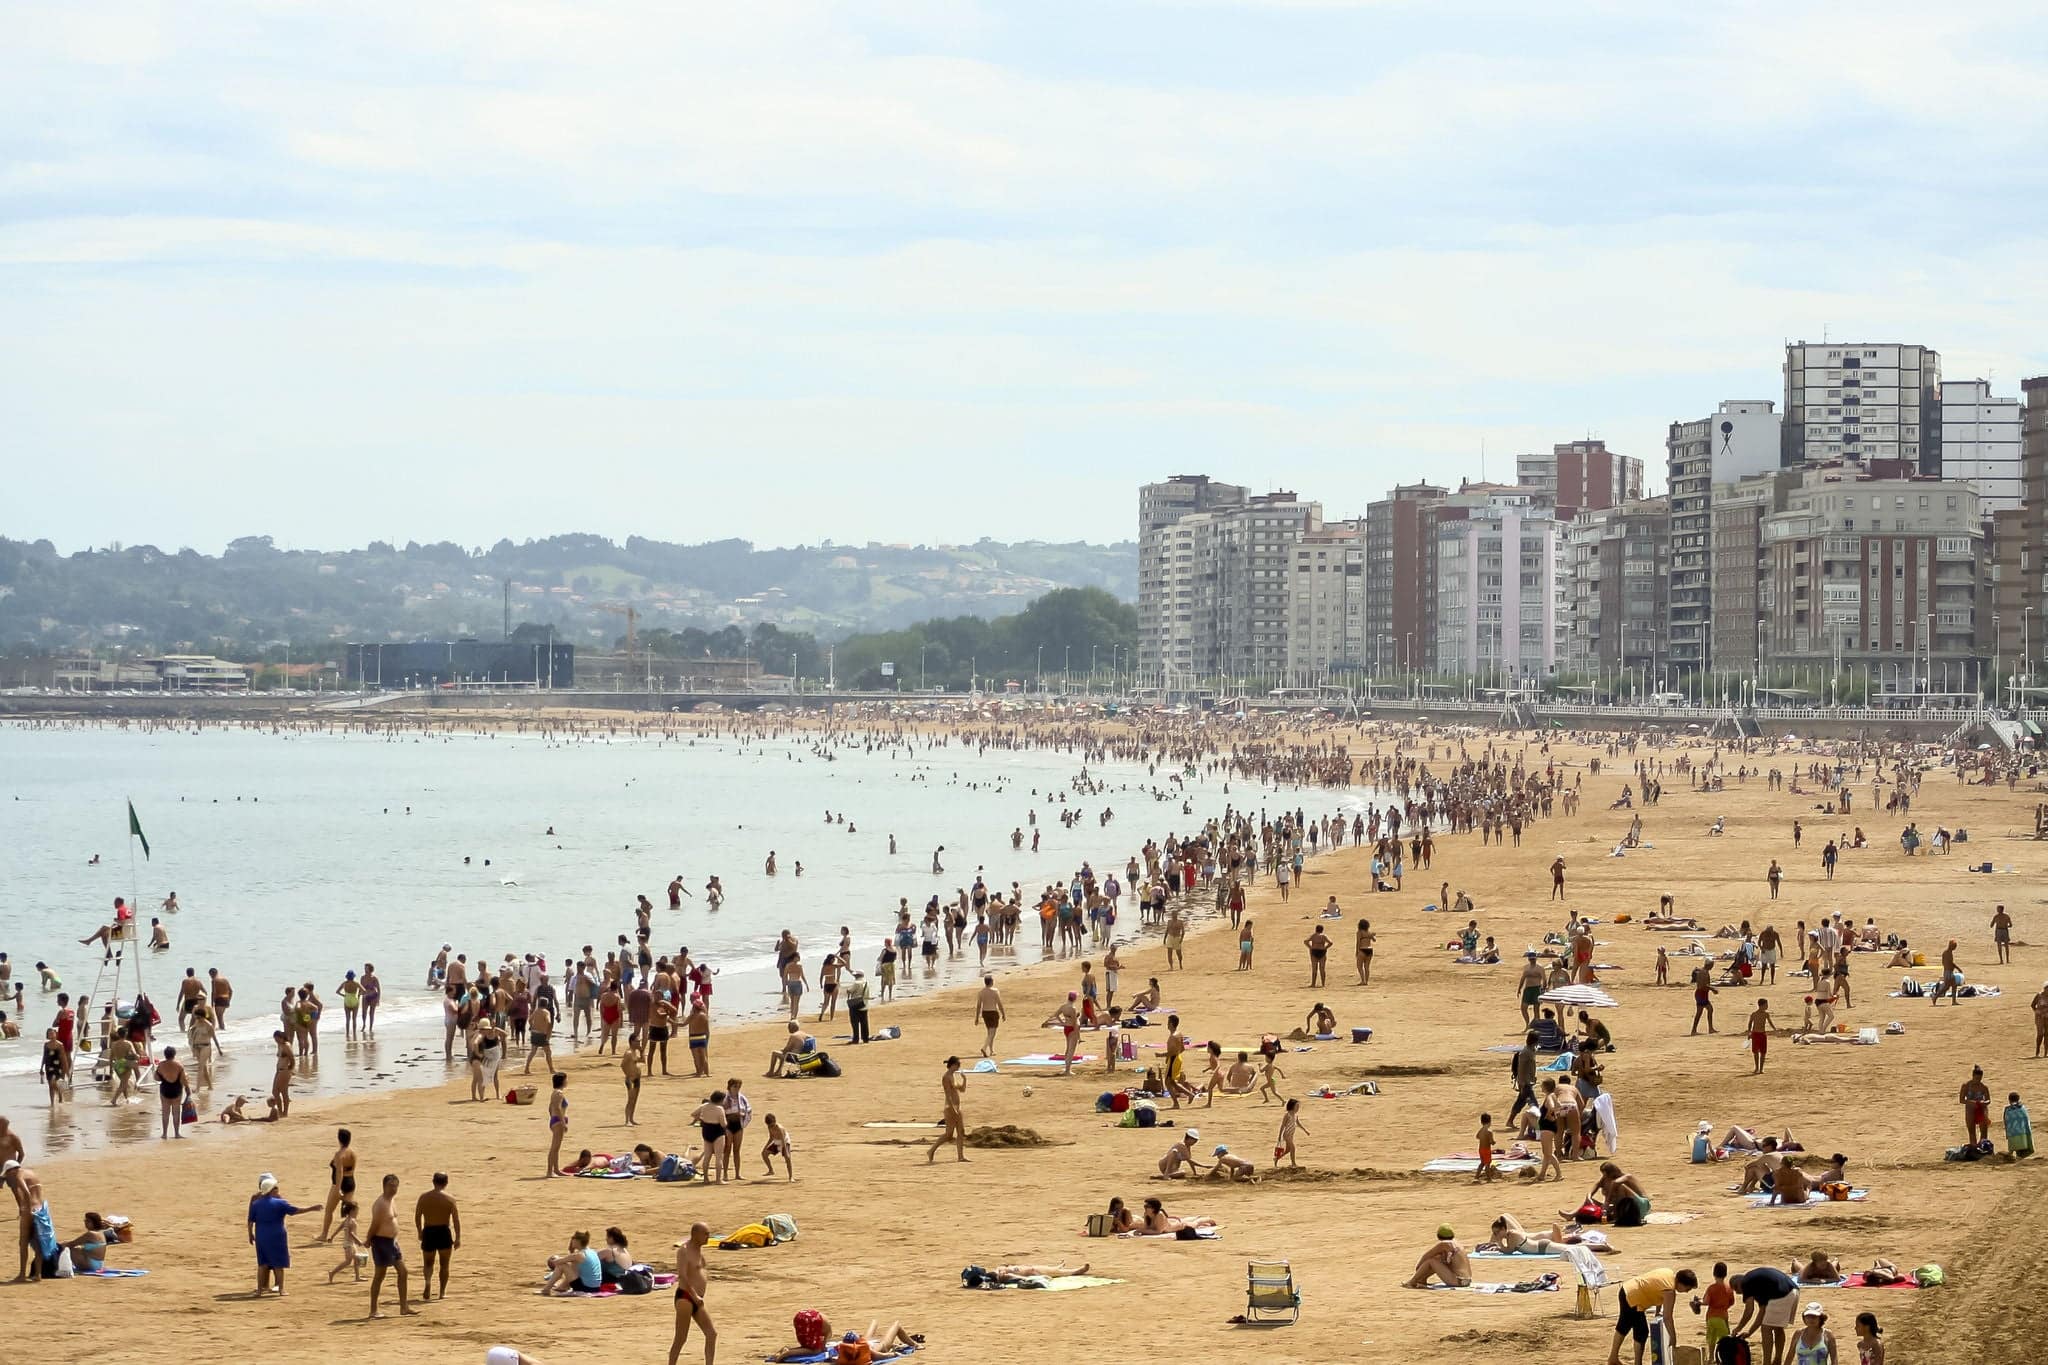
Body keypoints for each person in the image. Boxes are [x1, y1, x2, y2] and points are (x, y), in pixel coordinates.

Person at [1607, 1267, 1698, 1365]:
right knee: (1641, 1331)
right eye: (1687, 1288)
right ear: (1681, 1283)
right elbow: (1668, 1317)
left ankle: (1613, 1357)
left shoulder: (1668, 1274)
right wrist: (1673, 1337)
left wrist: (1658, 1311)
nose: (1687, 1292)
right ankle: (1636, 1363)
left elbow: (1657, 1289)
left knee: (1624, 1325)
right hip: (1634, 1298)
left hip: (1626, 1289)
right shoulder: (1670, 1292)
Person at [246, 1173, 311, 1297]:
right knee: (278, 1264)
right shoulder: (279, 1202)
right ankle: (281, 1289)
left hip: (261, 1236)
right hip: (276, 1236)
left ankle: (260, 1290)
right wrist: (311, 1208)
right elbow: (295, 1210)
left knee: (262, 1265)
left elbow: (250, 1219)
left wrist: (250, 1233)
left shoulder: (256, 1203)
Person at [366, 1172, 416, 1317]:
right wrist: (368, 1239)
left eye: (395, 1186)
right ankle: (374, 1310)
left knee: (400, 1272)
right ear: (384, 1186)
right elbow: (375, 1224)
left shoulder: (392, 1201)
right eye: (390, 1186)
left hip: (392, 1242)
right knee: (382, 1275)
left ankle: (403, 1307)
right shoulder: (380, 1204)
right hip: (382, 1242)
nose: (393, 1189)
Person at [1731, 1264, 1802, 1365]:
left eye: (1737, 1291)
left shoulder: (1746, 1283)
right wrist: (1750, 1332)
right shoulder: (1758, 1284)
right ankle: (1777, 1360)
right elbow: (1762, 1312)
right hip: (1793, 1291)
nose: (1739, 1294)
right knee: (1778, 1327)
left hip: (1781, 1294)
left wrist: (1738, 1328)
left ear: (1737, 1285)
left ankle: (1767, 1362)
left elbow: (1749, 1311)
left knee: (1766, 1328)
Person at [667, 1221, 715, 1365]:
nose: (708, 1237)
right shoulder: (684, 1250)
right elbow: (682, 1275)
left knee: (711, 1334)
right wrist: (694, 1295)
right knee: (681, 1338)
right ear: (696, 1234)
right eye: (705, 1234)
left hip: (698, 1300)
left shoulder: (699, 1250)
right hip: (686, 1297)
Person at [415, 1171, 460, 1300]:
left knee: (428, 1263)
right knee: (444, 1265)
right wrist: (458, 1237)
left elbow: (417, 1216)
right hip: (443, 1231)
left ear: (433, 1182)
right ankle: (442, 1292)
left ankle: (428, 1282)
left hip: (429, 1231)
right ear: (446, 1183)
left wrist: (419, 1231)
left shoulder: (424, 1197)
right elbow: (456, 1220)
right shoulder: (450, 1199)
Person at [320, 1128, 358, 1242]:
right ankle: (351, 1235)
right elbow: (351, 1169)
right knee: (350, 1212)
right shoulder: (353, 1153)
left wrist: (337, 1189)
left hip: (339, 1183)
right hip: (351, 1182)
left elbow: (339, 1172)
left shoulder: (339, 1154)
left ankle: (324, 1235)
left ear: (339, 1139)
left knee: (329, 1210)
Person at [927, 1056, 967, 1164]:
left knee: (961, 1131)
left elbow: (962, 1089)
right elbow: (948, 1094)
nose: (959, 1067)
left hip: (957, 1107)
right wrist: (953, 1108)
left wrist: (964, 1079)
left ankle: (960, 1157)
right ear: (953, 1065)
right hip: (950, 1108)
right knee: (948, 1135)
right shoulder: (946, 1077)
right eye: (958, 1065)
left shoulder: (953, 1076)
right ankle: (931, 1150)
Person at [1404, 1225, 1471, 1288]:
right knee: (1439, 1259)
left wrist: (1418, 1269)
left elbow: (1426, 1256)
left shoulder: (1444, 1244)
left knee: (1431, 1261)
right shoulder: (1456, 1243)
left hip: (1459, 1281)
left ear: (1438, 1235)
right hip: (1466, 1281)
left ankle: (1412, 1282)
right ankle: (1422, 1280)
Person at [542, 1229, 603, 1296]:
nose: (571, 1241)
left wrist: (555, 1258)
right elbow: (573, 1268)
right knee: (573, 1265)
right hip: (596, 1288)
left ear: (577, 1241)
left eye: (573, 1238)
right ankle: (562, 1287)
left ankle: (546, 1290)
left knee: (562, 1265)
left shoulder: (579, 1255)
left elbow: (556, 1262)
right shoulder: (592, 1251)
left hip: (586, 1288)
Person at [326, 1200, 365, 1283]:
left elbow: (338, 1229)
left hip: (350, 1243)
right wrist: (359, 1241)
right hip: (349, 1244)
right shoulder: (351, 1221)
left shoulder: (347, 1220)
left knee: (357, 1259)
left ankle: (357, 1277)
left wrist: (332, 1237)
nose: (357, 1213)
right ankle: (332, 1273)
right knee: (348, 1261)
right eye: (357, 1211)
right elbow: (351, 1233)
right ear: (352, 1211)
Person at [63, 1210, 112, 1275]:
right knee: (78, 1248)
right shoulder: (100, 1233)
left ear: (94, 1223)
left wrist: (57, 1246)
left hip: (91, 1265)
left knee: (72, 1249)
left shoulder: (91, 1234)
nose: (85, 1222)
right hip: (99, 1264)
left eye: (88, 1221)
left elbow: (72, 1243)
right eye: (85, 1221)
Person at [1960, 1065, 1993, 1147]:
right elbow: (1961, 1100)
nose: (1978, 1080)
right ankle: (1974, 1147)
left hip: (1981, 1109)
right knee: (1971, 1131)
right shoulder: (1966, 1085)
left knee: (1984, 1131)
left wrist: (1984, 1102)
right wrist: (1971, 1102)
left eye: (1980, 1078)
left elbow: (1988, 1100)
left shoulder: (1983, 1087)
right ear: (1973, 1076)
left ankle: (1983, 1147)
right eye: (1977, 1078)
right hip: (1970, 1110)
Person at [545, 1072, 569, 1178]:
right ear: (562, 1081)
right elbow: (558, 1107)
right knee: (554, 1147)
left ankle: (556, 1169)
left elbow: (550, 1108)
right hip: (558, 1121)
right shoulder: (559, 1093)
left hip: (555, 1120)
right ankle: (550, 1171)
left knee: (556, 1147)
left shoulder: (554, 1092)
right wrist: (563, 1122)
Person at [1747, 998, 1779, 1075]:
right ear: (1762, 1005)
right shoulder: (1754, 1014)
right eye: (1766, 1005)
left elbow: (1770, 1022)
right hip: (1755, 1034)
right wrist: (1749, 1032)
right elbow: (1750, 1023)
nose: (1767, 1006)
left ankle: (1761, 1069)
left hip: (1762, 1034)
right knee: (1755, 1052)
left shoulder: (1766, 1014)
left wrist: (1774, 1029)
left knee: (1763, 1052)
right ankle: (1756, 1068)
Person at [761, 1112, 796, 1180]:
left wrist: (786, 1152)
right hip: (777, 1142)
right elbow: (771, 1138)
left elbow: (783, 1141)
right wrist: (765, 1147)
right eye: (770, 1126)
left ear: (775, 1122)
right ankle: (771, 1170)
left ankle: (791, 1177)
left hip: (785, 1142)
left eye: (772, 1125)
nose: (771, 1127)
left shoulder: (779, 1128)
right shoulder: (769, 1127)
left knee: (787, 1159)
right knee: (764, 1154)